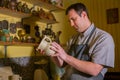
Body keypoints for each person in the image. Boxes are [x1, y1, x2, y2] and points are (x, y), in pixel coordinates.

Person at [39, 3, 115, 80]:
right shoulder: (72, 39)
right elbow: (62, 64)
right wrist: (51, 53)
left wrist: (65, 56)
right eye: (69, 21)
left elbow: (94, 70)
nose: (71, 24)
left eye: (73, 19)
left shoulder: (103, 38)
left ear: (84, 15)